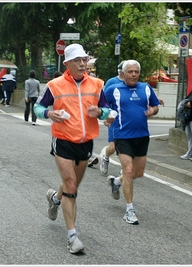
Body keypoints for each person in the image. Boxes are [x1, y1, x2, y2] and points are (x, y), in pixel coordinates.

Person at [34, 43, 110, 254]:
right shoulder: (54, 85)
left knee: (72, 186)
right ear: (67, 63)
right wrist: (49, 114)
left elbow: (108, 110)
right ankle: (72, 237)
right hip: (63, 140)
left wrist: (101, 113)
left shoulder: (97, 84)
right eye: (77, 60)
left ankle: (55, 198)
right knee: (70, 185)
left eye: (84, 59)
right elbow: (37, 107)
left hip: (85, 143)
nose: (82, 63)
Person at [104, 59, 160, 225]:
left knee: (138, 172)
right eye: (130, 72)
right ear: (123, 73)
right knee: (128, 170)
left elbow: (155, 106)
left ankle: (116, 181)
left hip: (142, 136)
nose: (134, 74)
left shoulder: (146, 88)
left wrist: (152, 111)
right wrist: (106, 116)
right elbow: (103, 105)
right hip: (122, 135)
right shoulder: (113, 89)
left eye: (136, 72)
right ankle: (130, 210)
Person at [100, 60, 126, 175]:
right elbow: (103, 101)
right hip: (114, 118)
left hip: (128, 119)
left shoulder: (133, 83)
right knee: (114, 146)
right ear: (121, 72)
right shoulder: (112, 82)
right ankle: (105, 155)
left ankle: (124, 169)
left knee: (128, 144)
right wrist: (106, 116)